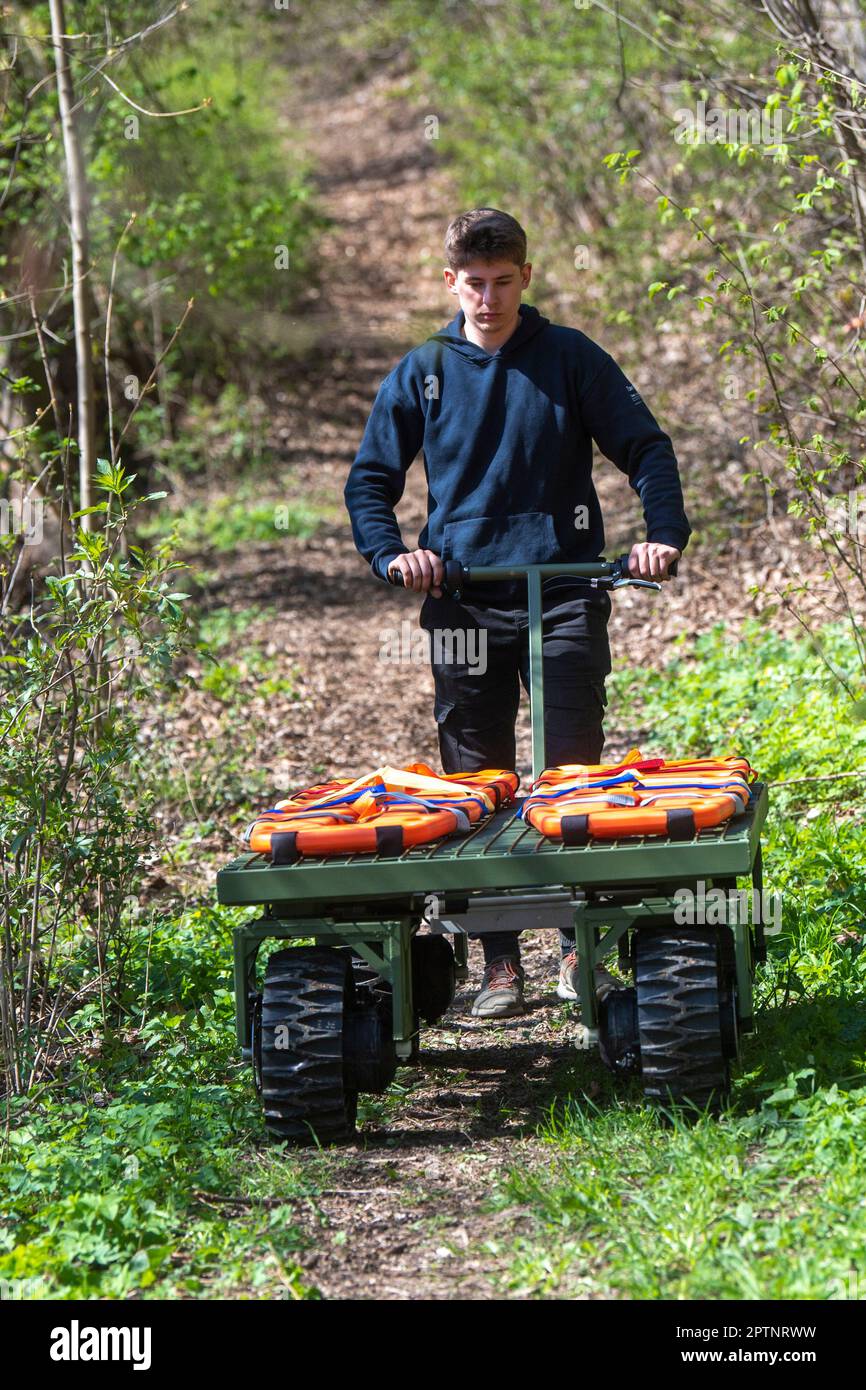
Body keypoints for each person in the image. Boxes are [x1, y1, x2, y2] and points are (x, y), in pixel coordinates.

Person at [344, 208, 690, 1019]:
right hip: (465, 595)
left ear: (526, 277)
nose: (490, 298)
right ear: (450, 282)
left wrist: (660, 536)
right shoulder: (423, 369)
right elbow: (370, 481)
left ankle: (581, 951)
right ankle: (500, 966)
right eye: (475, 284)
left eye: (504, 282)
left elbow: (647, 447)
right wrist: (395, 556)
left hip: (565, 587)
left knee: (573, 771)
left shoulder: (569, 357)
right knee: (477, 780)